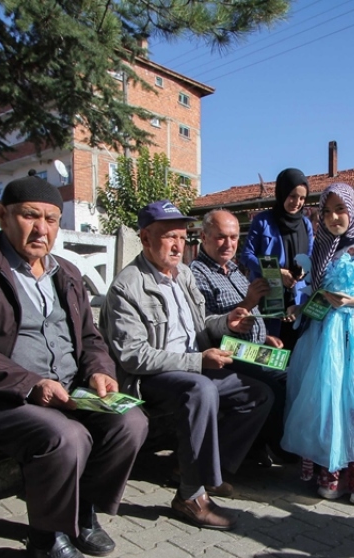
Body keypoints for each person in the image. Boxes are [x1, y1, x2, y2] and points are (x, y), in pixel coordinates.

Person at [0, 172, 148, 558]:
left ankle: (81, 512)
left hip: (67, 392)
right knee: (66, 436)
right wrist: (29, 383)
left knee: (131, 421)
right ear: (3, 215)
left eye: (51, 219)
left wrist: (99, 371)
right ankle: (47, 535)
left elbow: (91, 338)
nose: (41, 229)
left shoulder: (66, 274)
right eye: (30, 216)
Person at [100, 200, 273, 531]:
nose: (178, 245)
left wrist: (227, 323)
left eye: (181, 236)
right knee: (202, 389)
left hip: (192, 367)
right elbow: (133, 355)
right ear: (146, 237)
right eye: (168, 237)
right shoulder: (128, 286)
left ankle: (209, 473)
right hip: (151, 377)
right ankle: (190, 496)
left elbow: (202, 324)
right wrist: (197, 361)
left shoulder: (183, 275)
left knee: (258, 394)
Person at [281, 183, 354, 506]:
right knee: (325, 399)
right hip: (321, 334)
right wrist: (299, 306)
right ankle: (330, 475)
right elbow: (317, 293)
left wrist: (352, 301)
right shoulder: (321, 247)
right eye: (328, 211)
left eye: (341, 209)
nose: (335, 217)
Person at [190, 208, 289, 463]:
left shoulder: (234, 270)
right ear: (204, 236)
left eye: (234, 238)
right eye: (221, 237)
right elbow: (206, 324)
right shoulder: (197, 273)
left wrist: (265, 335)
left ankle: (265, 444)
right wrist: (249, 300)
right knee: (273, 383)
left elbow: (251, 314)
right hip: (229, 354)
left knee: (292, 371)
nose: (229, 244)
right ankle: (278, 449)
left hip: (253, 348)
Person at [242, 168, 312, 346]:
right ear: (282, 193)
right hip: (268, 298)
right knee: (269, 352)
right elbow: (246, 256)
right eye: (292, 196)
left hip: (296, 301)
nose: (297, 202)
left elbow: (310, 256)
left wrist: (302, 271)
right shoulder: (263, 221)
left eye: (302, 198)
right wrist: (277, 272)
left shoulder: (306, 224)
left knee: (295, 353)